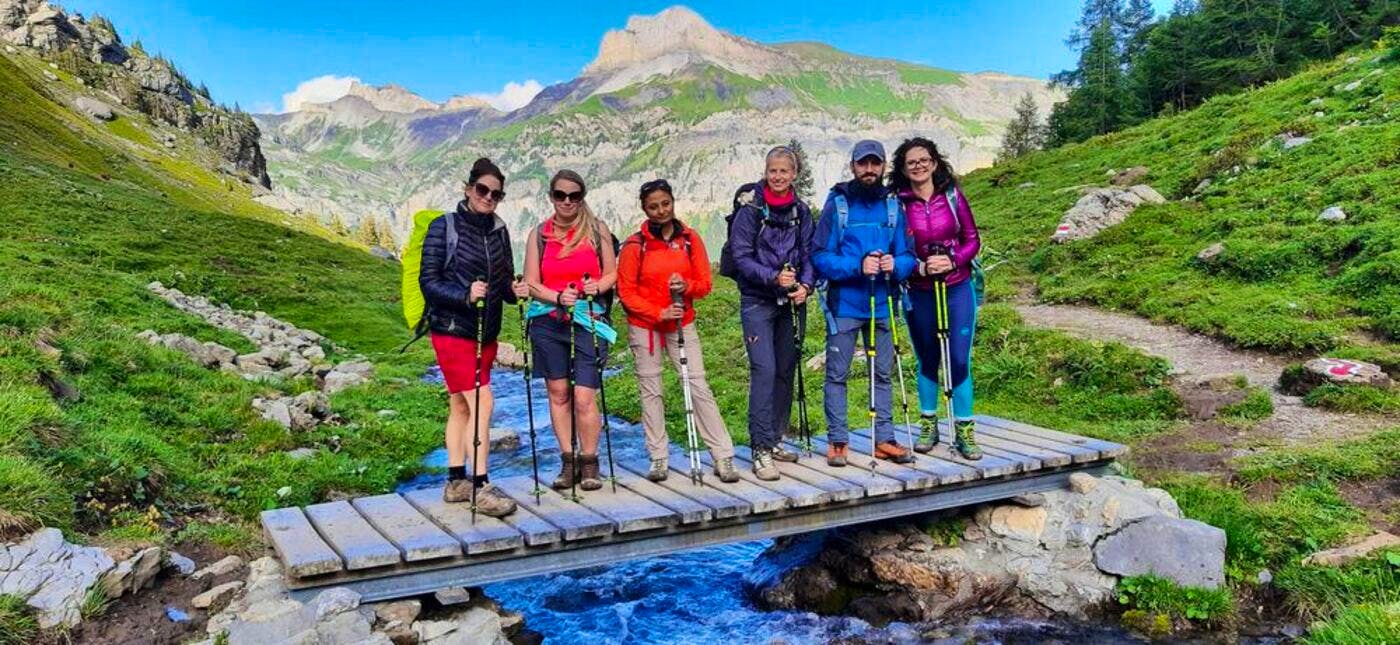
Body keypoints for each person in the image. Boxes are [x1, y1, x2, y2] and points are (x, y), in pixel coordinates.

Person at [419, 157, 525, 515]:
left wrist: (515, 288)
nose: (488, 197)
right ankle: (481, 486)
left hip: (486, 331)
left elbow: (505, 282)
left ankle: (455, 482)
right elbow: (428, 282)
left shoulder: (499, 230)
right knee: (483, 401)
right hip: (452, 330)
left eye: (496, 193)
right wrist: (465, 295)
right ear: (468, 189)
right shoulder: (443, 227)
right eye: (482, 189)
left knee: (461, 405)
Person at [617, 179, 740, 484]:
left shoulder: (689, 239)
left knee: (697, 385)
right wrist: (657, 312)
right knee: (651, 390)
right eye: (653, 206)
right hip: (645, 327)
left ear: (673, 201)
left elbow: (705, 284)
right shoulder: (635, 245)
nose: (660, 211)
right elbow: (626, 292)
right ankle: (658, 458)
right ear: (644, 209)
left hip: (681, 322)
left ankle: (722, 455)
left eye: (665, 204)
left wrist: (686, 287)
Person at [812, 140, 918, 468]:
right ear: (853, 166)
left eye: (875, 164)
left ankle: (883, 440)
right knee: (837, 374)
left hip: (884, 303)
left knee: (882, 373)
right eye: (863, 164)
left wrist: (894, 266)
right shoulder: (838, 205)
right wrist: (858, 266)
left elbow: (908, 256)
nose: (869, 170)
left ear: (884, 166)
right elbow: (820, 257)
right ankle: (838, 441)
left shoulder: (893, 205)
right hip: (844, 304)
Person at [521, 170, 619, 492]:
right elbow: (531, 282)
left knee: (584, 396)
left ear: (582, 197)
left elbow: (611, 275)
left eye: (574, 196)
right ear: (551, 196)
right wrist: (557, 297)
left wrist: (595, 286)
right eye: (560, 195)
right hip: (548, 321)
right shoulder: (539, 235)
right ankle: (568, 461)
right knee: (559, 393)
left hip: (589, 319)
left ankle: (590, 463)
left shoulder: (597, 230)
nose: (567, 201)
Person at [726, 146, 817, 480]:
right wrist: (773, 278)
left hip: (792, 301)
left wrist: (806, 286)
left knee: (785, 370)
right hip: (757, 301)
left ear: (794, 174)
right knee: (764, 371)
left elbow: (810, 253)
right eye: (772, 170)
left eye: (784, 171)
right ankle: (760, 449)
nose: (778, 176)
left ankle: (776, 438)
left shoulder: (801, 211)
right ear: (766, 172)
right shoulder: (751, 210)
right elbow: (741, 257)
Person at [891, 137, 983, 460]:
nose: (918, 166)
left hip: (957, 285)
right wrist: (916, 266)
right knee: (927, 358)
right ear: (903, 169)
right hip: (919, 289)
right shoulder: (898, 204)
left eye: (923, 160)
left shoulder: (953, 196)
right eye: (911, 162)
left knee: (958, 358)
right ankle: (928, 424)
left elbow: (972, 239)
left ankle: (965, 430)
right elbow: (895, 248)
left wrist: (953, 259)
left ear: (934, 162)